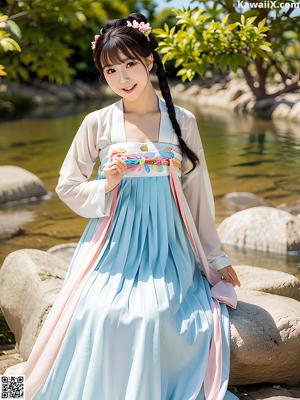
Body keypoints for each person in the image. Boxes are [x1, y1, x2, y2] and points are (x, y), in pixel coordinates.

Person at [4, 11, 241, 400]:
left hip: (169, 247)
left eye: (130, 64)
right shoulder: (97, 122)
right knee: (96, 312)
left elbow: (198, 193)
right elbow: (67, 184)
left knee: (152, 316)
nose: (123, 78)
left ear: (149, 62)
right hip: (112, 244)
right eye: (111, 70)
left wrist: (216, 258)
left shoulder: (182, 120)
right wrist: (106, 183)